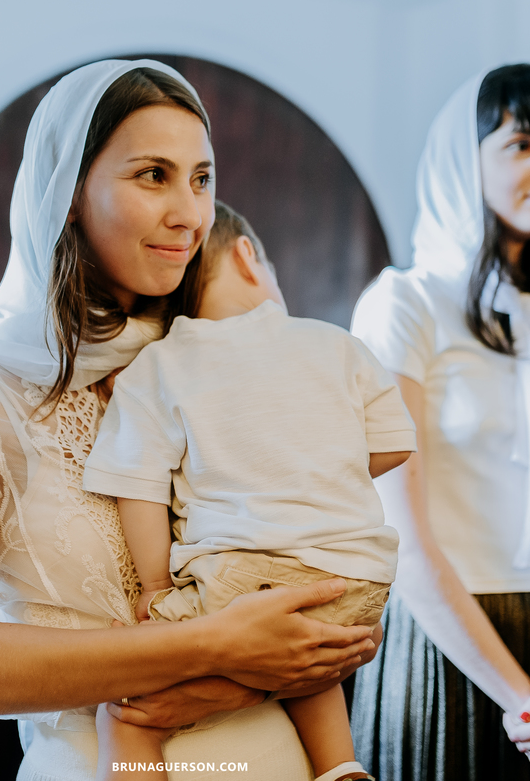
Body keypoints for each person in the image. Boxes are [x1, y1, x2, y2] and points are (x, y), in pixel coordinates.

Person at [0, 60, 378, 781]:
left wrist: (285, 652)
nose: (190, 214)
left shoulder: (213, 360)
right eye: (153, 176)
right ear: (68, 194)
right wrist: (212, 645)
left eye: (201, 179)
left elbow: (332, 590)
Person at [348, 64, 530, 781]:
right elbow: (402, 540)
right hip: (448, 646)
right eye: (521, 145)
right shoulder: (405, 306)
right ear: (460, 162)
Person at [81, 201, 416, 781]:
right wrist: (316, 469)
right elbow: (394, 445)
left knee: (127, 709)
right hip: (359, 583)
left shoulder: (160, 365)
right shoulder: (335, 343)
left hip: (240, 581)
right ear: (247, 256)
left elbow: (136, 487)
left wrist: (156, 586)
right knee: (307, 654)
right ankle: (341, 766)